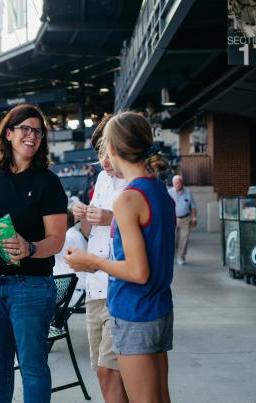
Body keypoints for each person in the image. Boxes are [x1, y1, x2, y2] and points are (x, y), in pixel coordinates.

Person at [66, 111, 175, 403]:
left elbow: (138, 272)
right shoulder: (158, 190)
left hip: (134, 310)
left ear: (112, 149)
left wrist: (91, 262)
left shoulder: (128, 198)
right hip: (159, 308)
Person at [0, 104, 67, 403]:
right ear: (8, 134)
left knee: (33, 368)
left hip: (32, 286)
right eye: (25, 128)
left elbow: (57, 240)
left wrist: (30, 248)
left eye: (38, 131)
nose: (32, 135)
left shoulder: (47, 181)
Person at [73, 115, 128, 403]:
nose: (104, 160)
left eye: (107, 152)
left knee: (112, 372)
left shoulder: (137, 180)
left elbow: (147, 226)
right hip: (94, 288)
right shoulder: (102, 178)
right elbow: (89, 231)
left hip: (118, 289)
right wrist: (85, 216)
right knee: (102, 371)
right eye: (99, 153)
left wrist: (109, 218)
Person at [168, 175, 197, 265]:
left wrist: (194, 217)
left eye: (179, 182)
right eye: (176, 183)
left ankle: (181, 256)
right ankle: (173, 255)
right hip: (172, 219)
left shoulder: (188, 192)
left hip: (185, 218)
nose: (178, 184)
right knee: (173, 238)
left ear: (182, 183)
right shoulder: (169, 192)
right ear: (173, 184)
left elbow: (193, 206)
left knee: (184, 238)